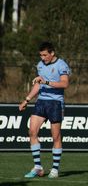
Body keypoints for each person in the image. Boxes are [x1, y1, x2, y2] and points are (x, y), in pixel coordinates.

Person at [19, 42, 70, 178]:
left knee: (56, 136)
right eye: (41, 55)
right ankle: (38, 167)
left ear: (52, 53)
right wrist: (27, 99)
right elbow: (38, 85)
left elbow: (65, 84)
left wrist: (46, 82)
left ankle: (54, 169)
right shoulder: (40, 65)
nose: (42, 58)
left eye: (45, 55)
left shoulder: (61, 65)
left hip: (55, 103)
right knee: (32, 132)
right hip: (41, 102)